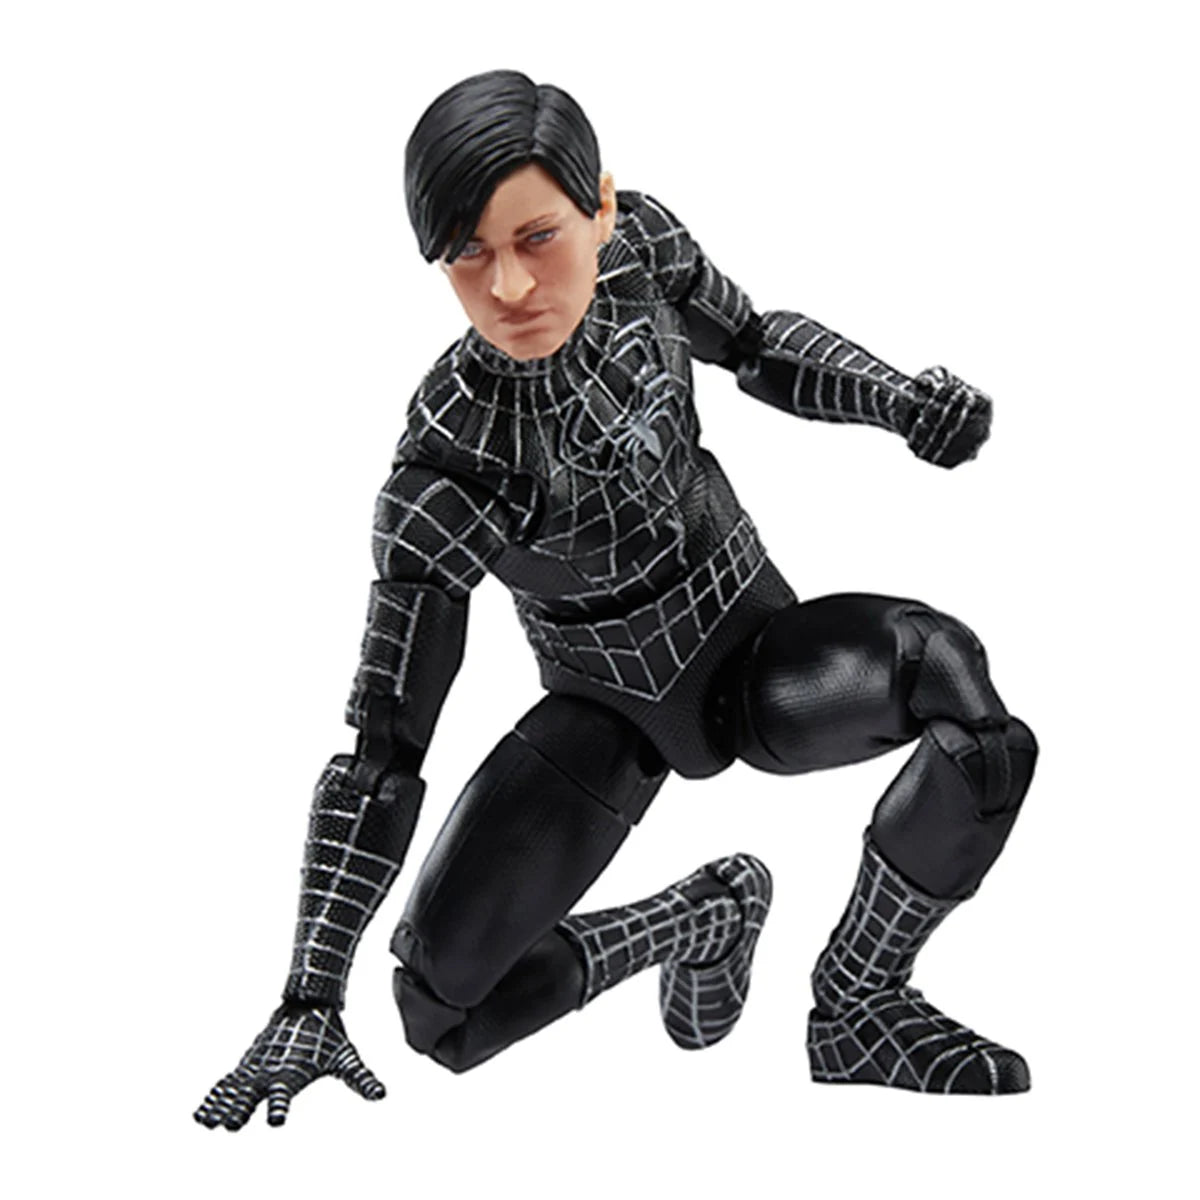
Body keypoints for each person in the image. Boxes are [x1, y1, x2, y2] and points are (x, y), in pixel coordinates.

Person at [195, 70, 1038, 1131]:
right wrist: (311, 996)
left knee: (966, 705)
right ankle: (697, 917)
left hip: (753, 639)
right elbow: (383, 751)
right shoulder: (451, 462)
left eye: (536, 237)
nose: (508, 287)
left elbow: (756, 343)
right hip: (609, 705)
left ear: (598, 206)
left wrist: (899, 400)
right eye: (467, 256)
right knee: (440, 1013)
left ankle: (858, 1004)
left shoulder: (640, 250)